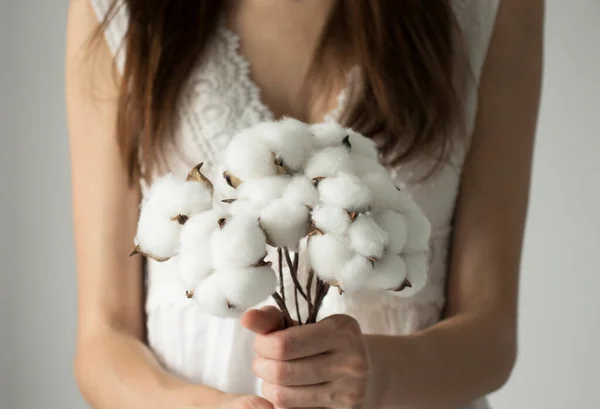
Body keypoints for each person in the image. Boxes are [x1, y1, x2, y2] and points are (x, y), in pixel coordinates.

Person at [65, 0, 543, 408]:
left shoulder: (489, 9)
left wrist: (375, 374)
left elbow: (491, 332)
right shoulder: (122, 10)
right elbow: (104, 337)